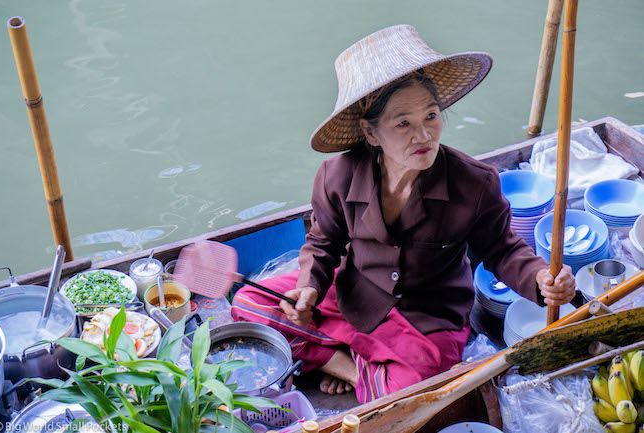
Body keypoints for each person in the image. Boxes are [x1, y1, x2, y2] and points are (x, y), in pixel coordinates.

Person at [231, 24, 575, 404]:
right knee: (248, 304)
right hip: (354, 296)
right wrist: (310, 287)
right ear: (371, 133)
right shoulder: (337, 176)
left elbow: (502, 250)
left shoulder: (473, 182)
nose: (424, 135)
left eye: (431, 115)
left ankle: (337, 360)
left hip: (426, 314)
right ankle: (344, 363)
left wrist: (542, 278)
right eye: (403, 123)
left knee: (420, 384)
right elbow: (323, 242)